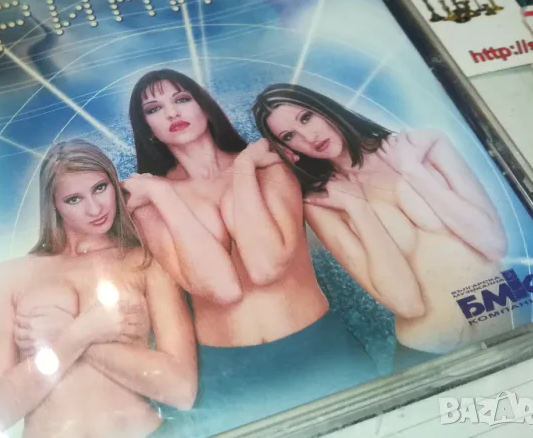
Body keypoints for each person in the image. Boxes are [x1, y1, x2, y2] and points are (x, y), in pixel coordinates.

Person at [124, 69, 377, 435]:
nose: (171, 113)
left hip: (320, 349)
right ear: (147, 127)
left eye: (181, 99)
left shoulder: (268, 165)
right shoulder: (148, 200)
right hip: (229, 374)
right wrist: (165, 194)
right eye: (154, 109)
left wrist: (242, 167)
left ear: (205, 107)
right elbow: (220, 288)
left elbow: (265, 266)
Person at [252, 83, 509, 370]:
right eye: (289, 136)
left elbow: (493, 244)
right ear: (287, 149)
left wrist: (411, 169)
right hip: (429, 354)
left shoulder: (422, 145)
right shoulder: (322, 203)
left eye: (306, 117)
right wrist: (358, 208)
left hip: (511, 327)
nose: (308, 137)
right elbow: (406, 304)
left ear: (324, 108)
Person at [0, 140, 197, 438]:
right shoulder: (7, 277)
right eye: (73, 199)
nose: (95, 208)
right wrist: (80, 333)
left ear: (114, 183)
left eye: (100, 188)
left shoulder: (145, 262)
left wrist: (75, 336)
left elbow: (182, 390)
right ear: (53, 204)